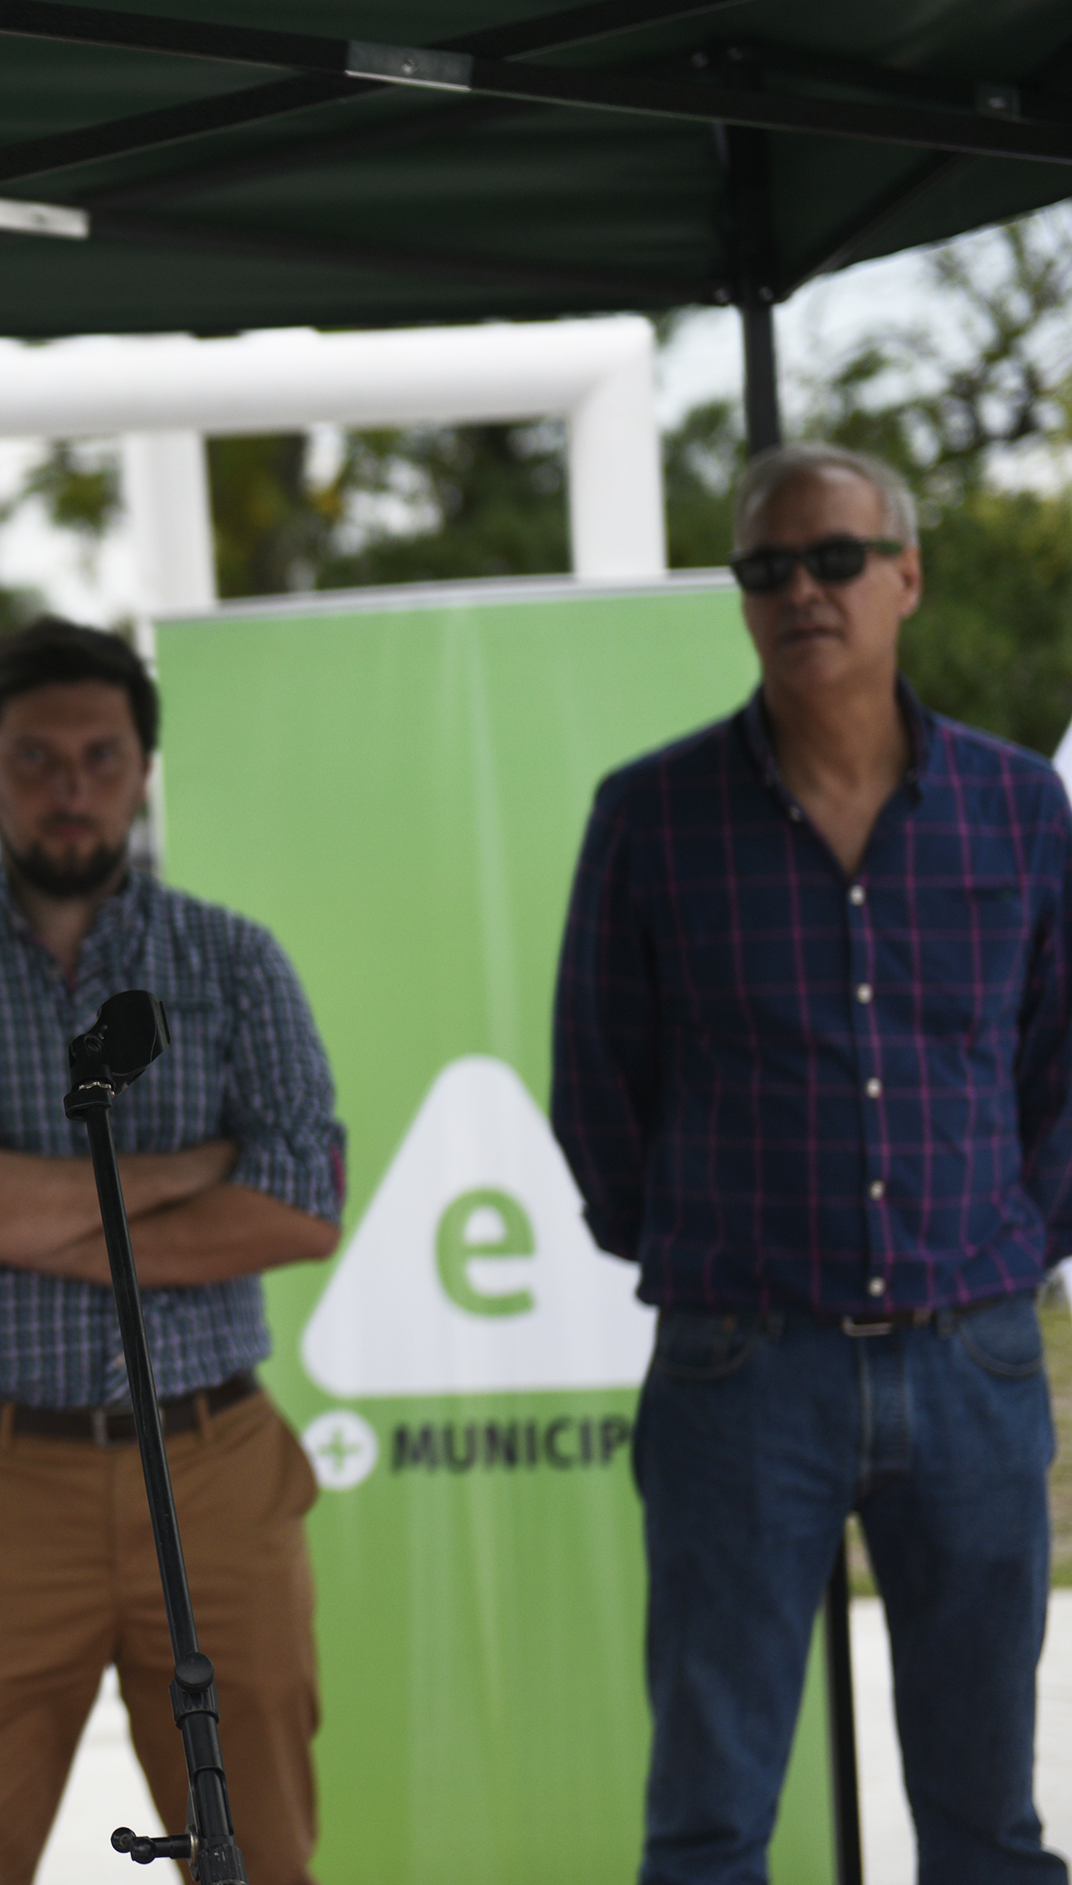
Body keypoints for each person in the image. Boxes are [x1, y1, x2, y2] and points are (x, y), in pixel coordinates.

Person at [553, 442, 1071, 1885]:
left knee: (987, 1817)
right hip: (742, 1369)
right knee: (711, 1814)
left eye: (835, 557)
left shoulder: (1020, 809)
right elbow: (599, 1081)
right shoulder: (650, 816)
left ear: (905, 574)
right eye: (767, 567)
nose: (803, 589)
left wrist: (1008, 1242)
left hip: (972, 1364)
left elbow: (1063, 1071)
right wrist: (711, 1252)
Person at [0, 616, 346, 1885]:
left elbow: (302, 1206)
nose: (73, 788)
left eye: (103, 757)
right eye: (38, 759)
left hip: (216, 1462)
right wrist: (188, 1171)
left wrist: (7, 1195)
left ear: (142, 768)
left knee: (264, 1855)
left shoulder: (232, 961)